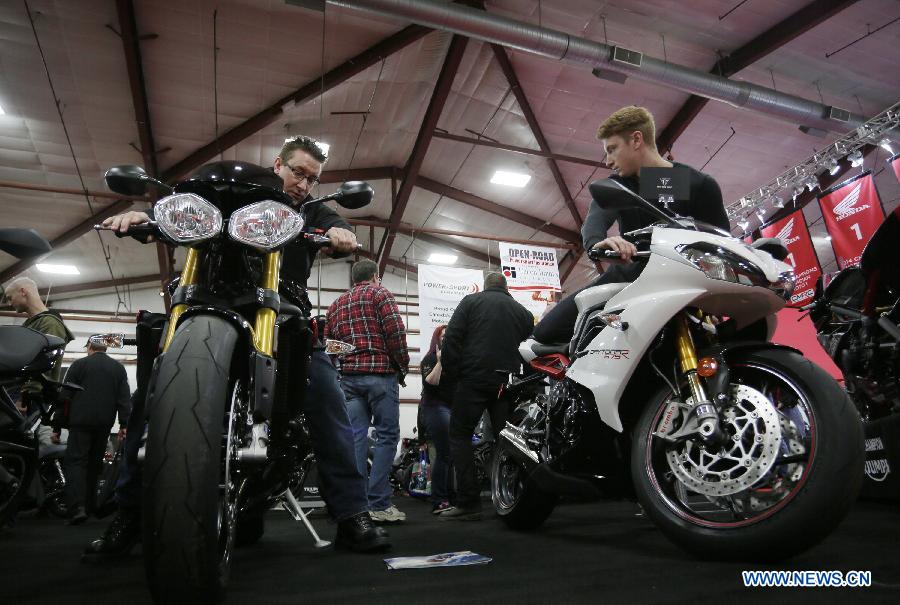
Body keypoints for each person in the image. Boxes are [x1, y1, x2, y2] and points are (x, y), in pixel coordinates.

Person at [84, 135, 389, 558]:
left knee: (325, 393)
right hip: (207, 297)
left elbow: (337, 222)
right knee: (150, 396)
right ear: (278, 165)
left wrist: (341, 232)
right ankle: (131, 512)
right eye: (298, 171)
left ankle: (352, 514)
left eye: (312, 178)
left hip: (281, 311)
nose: (303, 183)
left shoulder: (308, 210)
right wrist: (142, 214)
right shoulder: (231, 196)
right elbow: (189, 204)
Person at [533, 105, 729, 344]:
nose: (608, 161)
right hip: (629, 276)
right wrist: (599, 242)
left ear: (637, 139)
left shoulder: (694, 184)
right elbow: (595, 220)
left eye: (612, 149)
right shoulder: (621, 186)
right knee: (546, 332)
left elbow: (722, 242)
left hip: (682, 283)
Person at [439, 272, 533, 521]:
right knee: (509, 442)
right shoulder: (523, 313)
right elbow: (532, 349)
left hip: (473, 379)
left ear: (485, 286)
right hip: (506, 383)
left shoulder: (471, 302)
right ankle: (514, 498)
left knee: (460, 435)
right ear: (506, 287)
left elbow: (452, 340)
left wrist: (453, 376)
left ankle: (469, 503)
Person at [325, 259, 410, 523]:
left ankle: (357, 505)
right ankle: (380, 504)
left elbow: (330, 345)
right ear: (375, 276)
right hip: (380, 376)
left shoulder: (336, 305)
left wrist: (348, 361)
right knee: (386, 437)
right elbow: (395, 330)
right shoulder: (380, 293)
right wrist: (402, 364)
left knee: (356, 439)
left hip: (349, 380)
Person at [62, 338, 130, 525]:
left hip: (80, 422)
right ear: (105, 347)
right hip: (104, 424)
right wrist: (124, 424)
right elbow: (124, 398)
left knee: (76, 462)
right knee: (94, 464)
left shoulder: (79, 365)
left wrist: (57, 426)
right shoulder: (118, 368)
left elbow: (65, 396)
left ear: (90, 347)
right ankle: (92, 506)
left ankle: (77, 508)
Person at [3, 277, 75, 408]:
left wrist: (28, 394)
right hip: (20, 392)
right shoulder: (31, 324)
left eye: (10, 297)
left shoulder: (50, 323)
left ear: (23, 291)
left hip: (33, 396)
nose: (9, 303)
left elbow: (44, 363)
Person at [418, 325, 455, 514]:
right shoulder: (430, 358)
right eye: (443, 336)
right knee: (444, 453)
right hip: (434, 407)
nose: (447, 338)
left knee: (450, 455)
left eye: (450, 335)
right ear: (437, 339)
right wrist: (440, 362)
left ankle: (448, 497)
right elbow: (430, 382)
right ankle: (439, 499)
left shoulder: (456, 360)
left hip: (451, 408)